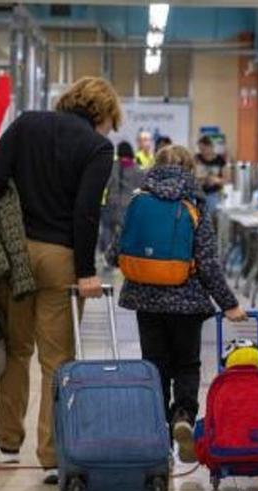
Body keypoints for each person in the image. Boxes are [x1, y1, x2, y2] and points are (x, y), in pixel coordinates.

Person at [0, 76, 121, 486]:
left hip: (17, 254)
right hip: (61, 259)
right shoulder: (97, 147)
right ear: (101, 112)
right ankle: (52, 456)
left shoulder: (26, 124)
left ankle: (8, 442)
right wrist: (86, 270)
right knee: (56, 361)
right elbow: (85, 213)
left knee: (16, 350)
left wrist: (1, 235)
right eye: (111, 120)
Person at [106, 145, 247, 464]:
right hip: (187, 301)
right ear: (190, 168)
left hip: (146, 300)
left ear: (155, 166)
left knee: (155, 364)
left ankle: (157, 429)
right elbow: (208, 264)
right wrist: (230, 304)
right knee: (186, 364)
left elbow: (114, 253)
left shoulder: (138, 200)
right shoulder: (195, 204)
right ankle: (183, 415)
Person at [99, 141, 144, 256]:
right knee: (127, 233)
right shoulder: (137, 169)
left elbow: (105, 183)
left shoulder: (112, 166)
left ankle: (106, 256)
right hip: (129, 205)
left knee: (108, 231)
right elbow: (141, 187)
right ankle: (124, 256)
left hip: (111, 204)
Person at [195, 135, 227, 215]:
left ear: (210, 147)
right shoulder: (197, 159)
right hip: (199, 193)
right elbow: (192, 176)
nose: (202, 151)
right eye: (200, 149)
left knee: (211, 211)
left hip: (214, 193)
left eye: (204, 149)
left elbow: (226, 180)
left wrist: (216, 180)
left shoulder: (220, 160)